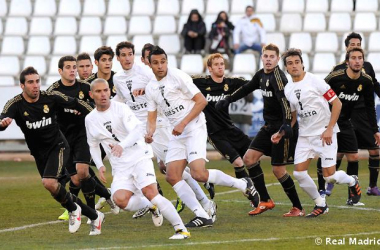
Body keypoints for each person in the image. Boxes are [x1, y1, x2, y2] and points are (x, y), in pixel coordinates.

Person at [145, 46, 259, 227]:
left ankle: (243, 185)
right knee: (172, 175)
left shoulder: (178, 76)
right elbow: (151, 117)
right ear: (149, 64)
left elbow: (201, 101)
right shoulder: (150, 87)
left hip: (194, 127)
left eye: (163, 62)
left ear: (167, 61)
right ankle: (202, 214)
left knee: (198, 173)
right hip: (177, 132)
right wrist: (149, 133)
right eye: (156, 63)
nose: (160, 66)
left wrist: (183, 123)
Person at [113, 41, 216, 221]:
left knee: (171, 169)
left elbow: (159, 85)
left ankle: (204, 202)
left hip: (158, 125)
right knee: (160, 167)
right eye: (123, 55)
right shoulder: (117, 78)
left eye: (130, 54)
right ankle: (151, 201)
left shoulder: (144, 71)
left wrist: (144, 89)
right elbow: (122, 99)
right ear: (118, 58)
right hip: (139, 130)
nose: (127, 58)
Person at [0, 67, 104, 235]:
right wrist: (2, 124)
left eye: (37, 81)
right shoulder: (16, 103)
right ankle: (94, 216)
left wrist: (96, 115)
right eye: (30, 82)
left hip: (58, 146)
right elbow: (2, 118)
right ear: (22, 86)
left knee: (49, 182)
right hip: (39, 153)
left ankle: (73, 210)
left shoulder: (50, 97)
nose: (35, 85)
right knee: (55, 189)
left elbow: (76, 102)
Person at [85, 78, 190, 240]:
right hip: (120, 166)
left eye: (105, 90)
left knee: (151, 193)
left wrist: (122, 145)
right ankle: (150, 206)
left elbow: (136, 131)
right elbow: (92, 144)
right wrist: (99, 165)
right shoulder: (90, 119)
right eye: (98, 91)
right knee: (119, 200)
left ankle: (181, 229)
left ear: (110, 91)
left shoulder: (121, 109)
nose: (103, 94)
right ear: (91, 94)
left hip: (140, 157)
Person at [216, 44, 303, 217]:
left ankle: (297, 207)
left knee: (278, 171)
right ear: (262, 58)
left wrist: (286, 125)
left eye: (272, 57)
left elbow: (285, 104)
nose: (268, 60)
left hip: (281, 129)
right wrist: (229, 99)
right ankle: (265, 201)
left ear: (278, 59)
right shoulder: (261, 74)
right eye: (266, 56)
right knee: (249, 159)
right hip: (268, 127)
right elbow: (247, 88)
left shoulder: (279, 78)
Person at [276, 48, 361, 217]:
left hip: (324, 133)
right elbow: (294, 115)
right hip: (305, 136)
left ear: (302, 64)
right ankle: (320, 204)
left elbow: (337, 104)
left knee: (329, 177)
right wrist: (282, 132)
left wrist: (329, 129)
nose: (294, 66)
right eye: (290, 63)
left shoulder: (315, 81)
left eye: (297, 62)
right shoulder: (288, 89)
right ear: (286, 68)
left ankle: (352, 181)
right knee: (299, 173)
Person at [47, 56, 118, 221]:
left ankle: (92, 214)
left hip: (83, 135)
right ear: (60, 71)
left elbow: (99, 106)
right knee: (76, 179)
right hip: (64, 138)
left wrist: (87, 109)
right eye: (69, 67)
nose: (73, 70)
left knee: (83, 171)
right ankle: (107, 194)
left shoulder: (85, 87)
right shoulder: (53, 91)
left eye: (74, 67)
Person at [317, 32, 380, 197]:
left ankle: (367, 188)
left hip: (361, 115)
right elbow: (322, 91)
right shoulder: (337, 72)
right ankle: (326, 185)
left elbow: (374, 90)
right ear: (347, 51)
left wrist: (375, 128)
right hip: (341, 116)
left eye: (358, 44)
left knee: (371, 151)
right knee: (338, 152)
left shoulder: (367, 73)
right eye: (352, 45)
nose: (355, 47)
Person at [192, 53, 252, 181]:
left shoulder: (230, 83)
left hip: (230, 128)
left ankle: (261, 194)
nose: (220, 67)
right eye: (216, 64)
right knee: (238, 163)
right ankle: (250, 191)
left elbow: (254, 83)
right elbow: (178, 81)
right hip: (214, 132)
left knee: (252, 157)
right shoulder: (200, 82)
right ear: (210, 68)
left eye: (222, 64)